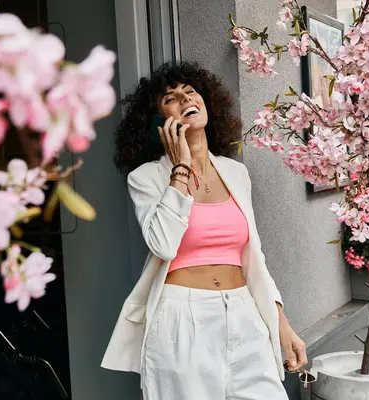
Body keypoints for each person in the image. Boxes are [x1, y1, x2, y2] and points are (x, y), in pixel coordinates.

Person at [102, 62, 307, 400]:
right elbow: (163, 245)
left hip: (244, 312)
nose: (184, 99)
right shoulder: (145, 178)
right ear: (157, 122)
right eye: (171, 98)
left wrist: (282, 324)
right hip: (182, 319)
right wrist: (179, 168)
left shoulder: (235, 173)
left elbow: (255, 258)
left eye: (190, 92)